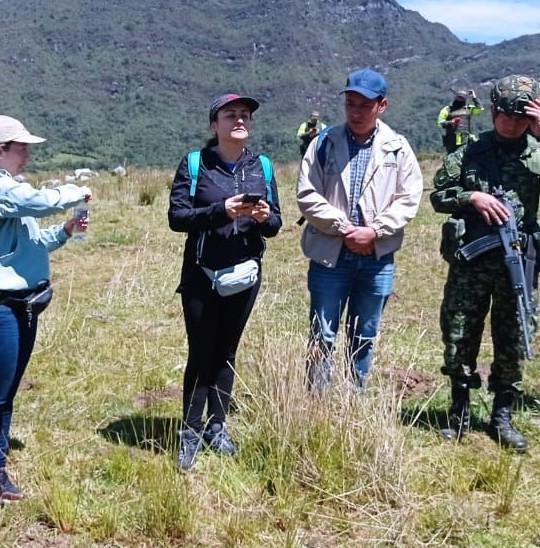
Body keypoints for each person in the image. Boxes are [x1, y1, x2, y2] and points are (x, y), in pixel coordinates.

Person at [431, 75, 540, 452]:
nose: (512, 124)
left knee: (512, 336)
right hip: (473, 262)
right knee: (460, 332)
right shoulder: (471, 152)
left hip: (518, 260)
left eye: (521, 117)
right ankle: (459, 411)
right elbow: (439, 194)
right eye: (506, 116)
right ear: (493, 112)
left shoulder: (537, 151)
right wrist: (472, 197)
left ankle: (502, 415)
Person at [0, 115, 92, 508]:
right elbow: (36, 201)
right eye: (21, 147)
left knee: (6, 393)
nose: (27, 154)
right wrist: (74, 191)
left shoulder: (8, 188)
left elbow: (30, 244)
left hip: (23, 303)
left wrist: (64, 233)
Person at [168, 93, 282, 472]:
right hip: (202, 274)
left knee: (227, 352)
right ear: (214, 125)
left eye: (245, 114)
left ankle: (218, 427)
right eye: (230, 114)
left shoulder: (262, 166)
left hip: (245, 274)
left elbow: (276, 226)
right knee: (201, 353)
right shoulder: (196, 164)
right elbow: (178, 217)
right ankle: (189, 431)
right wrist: (222, 210)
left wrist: (264, 217)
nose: (239, 119)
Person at [296, 68, 423, 391]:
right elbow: (307, 194)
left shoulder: (398, 148)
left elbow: (409, 198)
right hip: (330, 256)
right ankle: (317, 403)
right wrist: (345, 229)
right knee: (322, 332)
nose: (355, 112)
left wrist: (375, 231)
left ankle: (355, 396)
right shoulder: (324, 142)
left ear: (382, 106)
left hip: (377, 258)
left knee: (364, 333)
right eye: (350, 103)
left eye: (364, 105)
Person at [436, 90, 484, 154]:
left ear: (465, 99)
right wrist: (450, 123)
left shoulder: (468, 109)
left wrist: (474, 97)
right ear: (456, 98)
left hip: (465, 139)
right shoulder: (447, 109)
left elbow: (480, 109)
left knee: (466, 160)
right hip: (451, 140)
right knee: (452, 160)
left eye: (462, 98)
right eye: (459, 97)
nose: (460, 100)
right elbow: (439, 123)